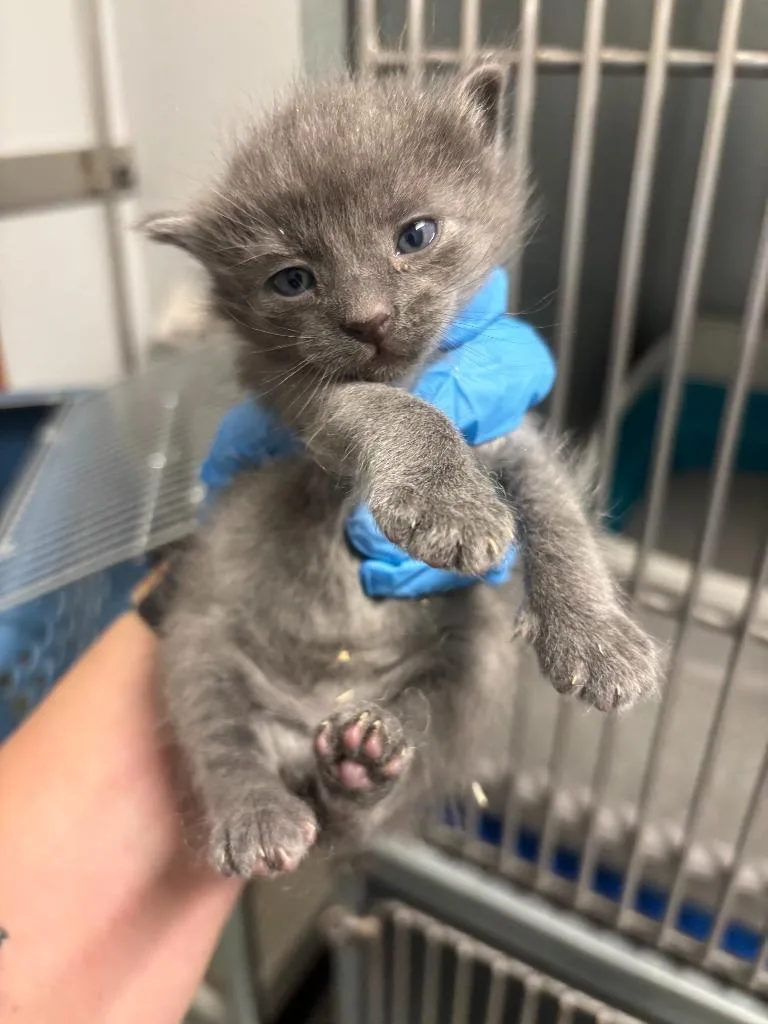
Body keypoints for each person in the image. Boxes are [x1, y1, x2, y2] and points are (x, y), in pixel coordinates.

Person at [0, 271, 554, 1023]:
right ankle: (337, 778)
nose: (368, 308)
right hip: (271, 660)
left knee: (440, 673)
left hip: (333, 659)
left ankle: (338, 779)